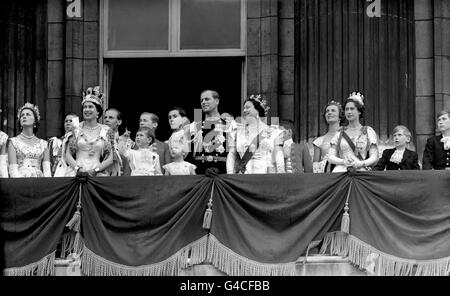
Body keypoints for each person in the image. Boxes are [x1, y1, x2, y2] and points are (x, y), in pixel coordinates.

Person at [63, 86, 116, 177]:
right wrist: (78, 169)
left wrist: (95, 171)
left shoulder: (106, 131)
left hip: (98, 173)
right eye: (85, 107)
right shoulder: (76, 129)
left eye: (90, 107)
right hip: (76, 173)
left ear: (98, 112)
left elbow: (110, 158)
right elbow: (68, 155)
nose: (87, 110)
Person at [226, 94, 285, 174]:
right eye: (244, 108)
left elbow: (279, 155)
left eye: (247, 107)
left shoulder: (274, 132)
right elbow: (232, 155)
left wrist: (281, 176)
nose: (244, 111)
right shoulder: (236, 132)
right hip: (244, 176)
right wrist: (230, 175)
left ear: (257, 110)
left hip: (266, 176)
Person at [328, 92, 379, 172]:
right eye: (346, 109)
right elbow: (330, 157)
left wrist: (361, 163)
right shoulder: (340, 132)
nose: (348, 112)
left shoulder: (368, 131)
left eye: (352, 109)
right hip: (341, 171)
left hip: (361, 170)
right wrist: (343, 161)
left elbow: (374, 156)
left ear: (359, 111)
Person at [187, 90, 229, 174]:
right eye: (201, 100)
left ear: (217, 101)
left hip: (223, 174)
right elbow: (189, 155)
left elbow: (233, 154)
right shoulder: (194, 127)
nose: (203, 102)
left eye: (207, 99)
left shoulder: (229, 126)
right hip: (199, 174)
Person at [8, 102, 51, 177]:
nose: (24, 117)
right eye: (22, 115)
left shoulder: (44, 144)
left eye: (28, 114)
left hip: (40, 183)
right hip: (20, 183)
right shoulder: (13, 142)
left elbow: (47, 172)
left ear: (35, 121)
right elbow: (13, 171)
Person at [312, 101, 344, 173]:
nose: (329, 113)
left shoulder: (347, 135)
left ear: (340, 116)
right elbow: (315, 165)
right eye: (327, 111)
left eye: (333, 110)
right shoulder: (319, 141)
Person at [103, 107, 127, 176]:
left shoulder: (128, 143)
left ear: (119, 122)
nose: (107, 120)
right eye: (105, 117)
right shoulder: (98, 140)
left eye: (110, 118)